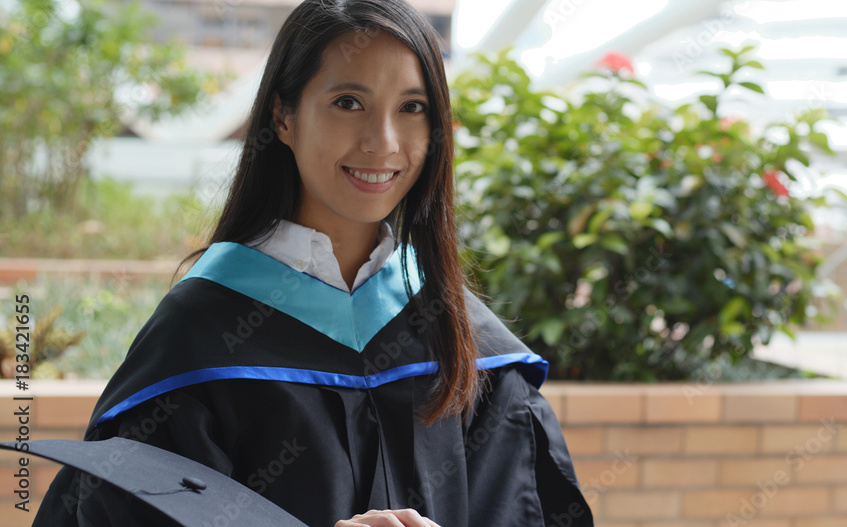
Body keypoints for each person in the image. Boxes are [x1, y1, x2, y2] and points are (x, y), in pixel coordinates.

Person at [32, 0, 594, 526]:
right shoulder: (198, 340)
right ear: (283, 115)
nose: (383, 141)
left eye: (412, 108)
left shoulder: (469, 344)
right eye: (348, 102)